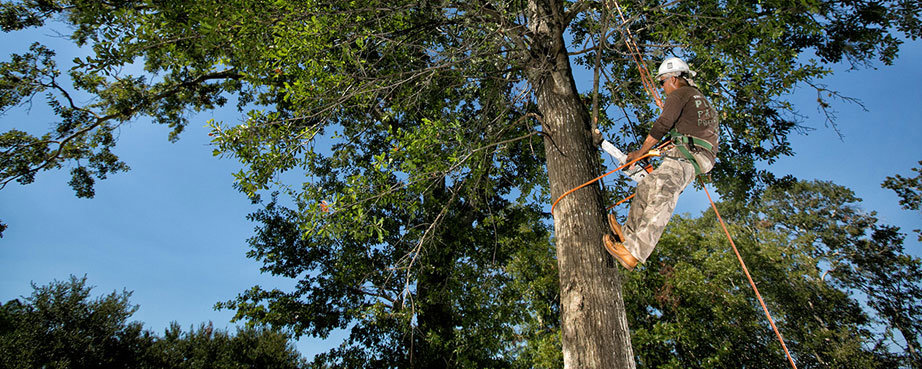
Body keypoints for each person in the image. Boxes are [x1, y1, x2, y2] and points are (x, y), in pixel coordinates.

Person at [603, 57, 720, 271]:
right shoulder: (697, 98)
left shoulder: (679, 94)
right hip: (693, 152)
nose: (662, 87)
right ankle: (628, 235)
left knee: (662, 194)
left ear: (674, 79)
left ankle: (635, 251)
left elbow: (663, 124)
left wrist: (641, 152)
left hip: (689, 155)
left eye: (663, 81)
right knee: (647, 185)